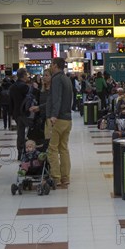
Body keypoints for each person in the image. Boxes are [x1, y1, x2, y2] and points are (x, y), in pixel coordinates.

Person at [46, 57, 73, 188]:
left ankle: (56, 177)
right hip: (68, 119)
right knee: (63, 149)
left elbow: (57, 98)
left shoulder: (56, 79)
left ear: (55, 65)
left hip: (59, 118)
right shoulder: (67, 79)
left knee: (52, 149)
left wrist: (53, 115)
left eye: (51, 64)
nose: (51, 66)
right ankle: (65, 177)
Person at [9, 68, 30, 160]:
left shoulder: (12, 87)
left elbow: (11, 102)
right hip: (25, 113)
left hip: (16, 113)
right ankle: (28, 151)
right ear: (24, 76)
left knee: (20, 133)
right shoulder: (25, 87)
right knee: (30, 132)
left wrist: (12, 113)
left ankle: (20, 152)